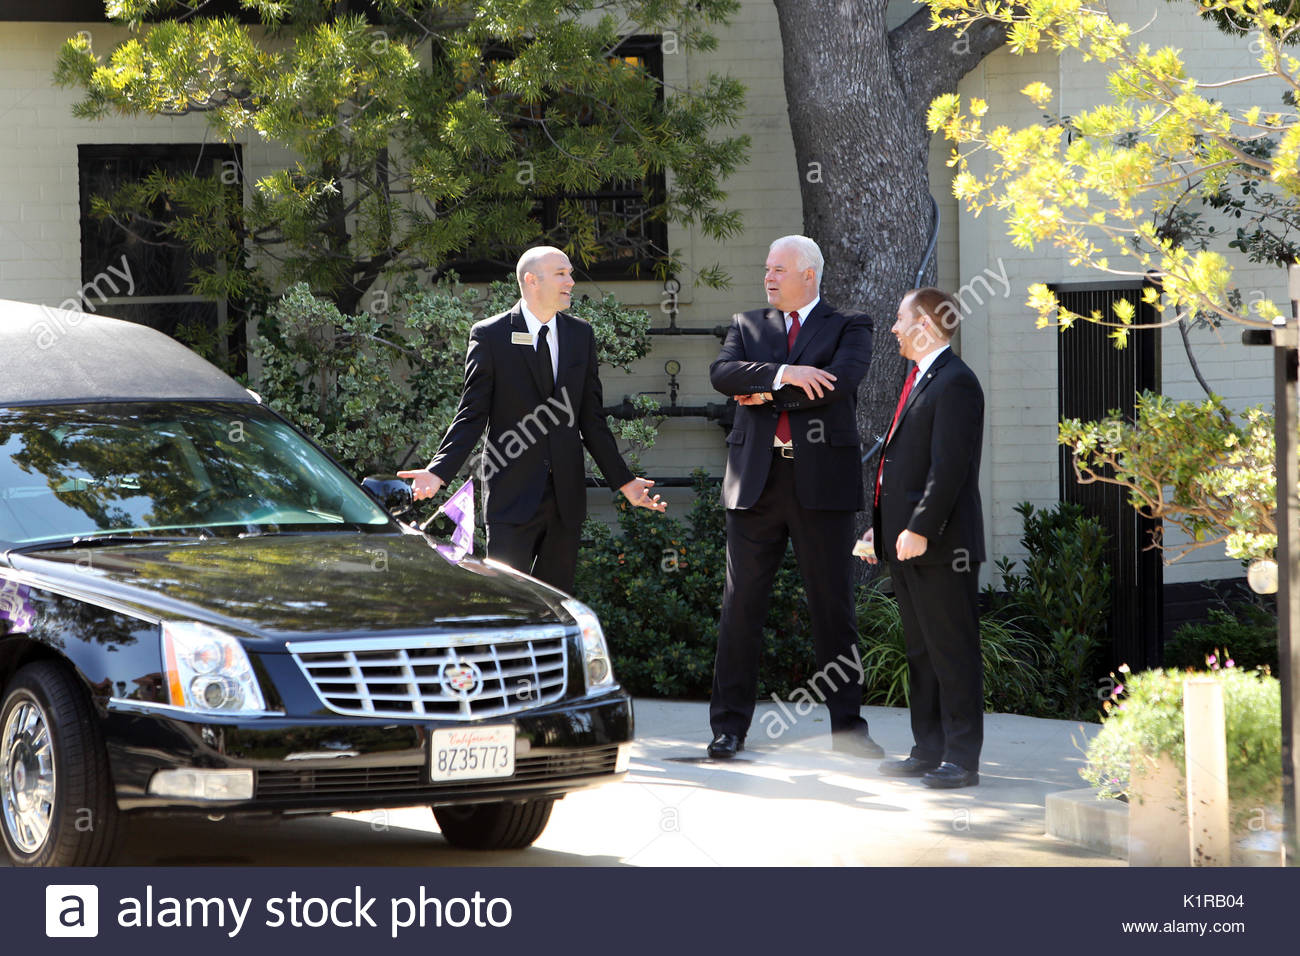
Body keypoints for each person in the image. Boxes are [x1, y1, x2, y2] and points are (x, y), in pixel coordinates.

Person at [399, 246, 666, 593]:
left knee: (556, 606)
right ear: (531, 280)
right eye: (562, 274)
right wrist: (438, 471)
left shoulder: (580, 335)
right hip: (511, 498)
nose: (571, 281)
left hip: (566, 501)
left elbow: (592, 418)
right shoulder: (490, 335)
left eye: (570, 274)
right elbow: (472, 412)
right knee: (509, 605)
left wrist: (624, 481)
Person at [705, 235, 881, 760]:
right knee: (740, 609)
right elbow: (721, 376)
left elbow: (839, 384)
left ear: (809, 274)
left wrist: (761, 393)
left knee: (833, 610)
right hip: (755, 485)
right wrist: (787, 374)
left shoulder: (850, 324)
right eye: (767, 268)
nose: (769, 277)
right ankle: (728, 728)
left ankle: (848, 731)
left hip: (820, 486)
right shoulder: (748, 325)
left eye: (779, 268)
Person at [858, 287, 985, 789]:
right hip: (908, 542)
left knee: (951, 651)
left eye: (900, 319)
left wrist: (919, 529)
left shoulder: (955, 382)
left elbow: (948, 470)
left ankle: (961, 758)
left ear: (926, 326)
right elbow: (902, 467)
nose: (893, 328)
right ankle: (927, 750)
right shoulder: (917, 377)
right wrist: (883, 528)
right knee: (921, 652)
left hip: (941, 546)